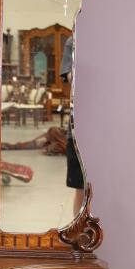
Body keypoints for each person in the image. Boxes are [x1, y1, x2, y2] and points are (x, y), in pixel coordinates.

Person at [60, 35, 84, 217]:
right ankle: (79, 236)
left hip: (109, 130)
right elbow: (70, 77)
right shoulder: (73, 41)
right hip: (78, 130)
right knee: (80, 188)